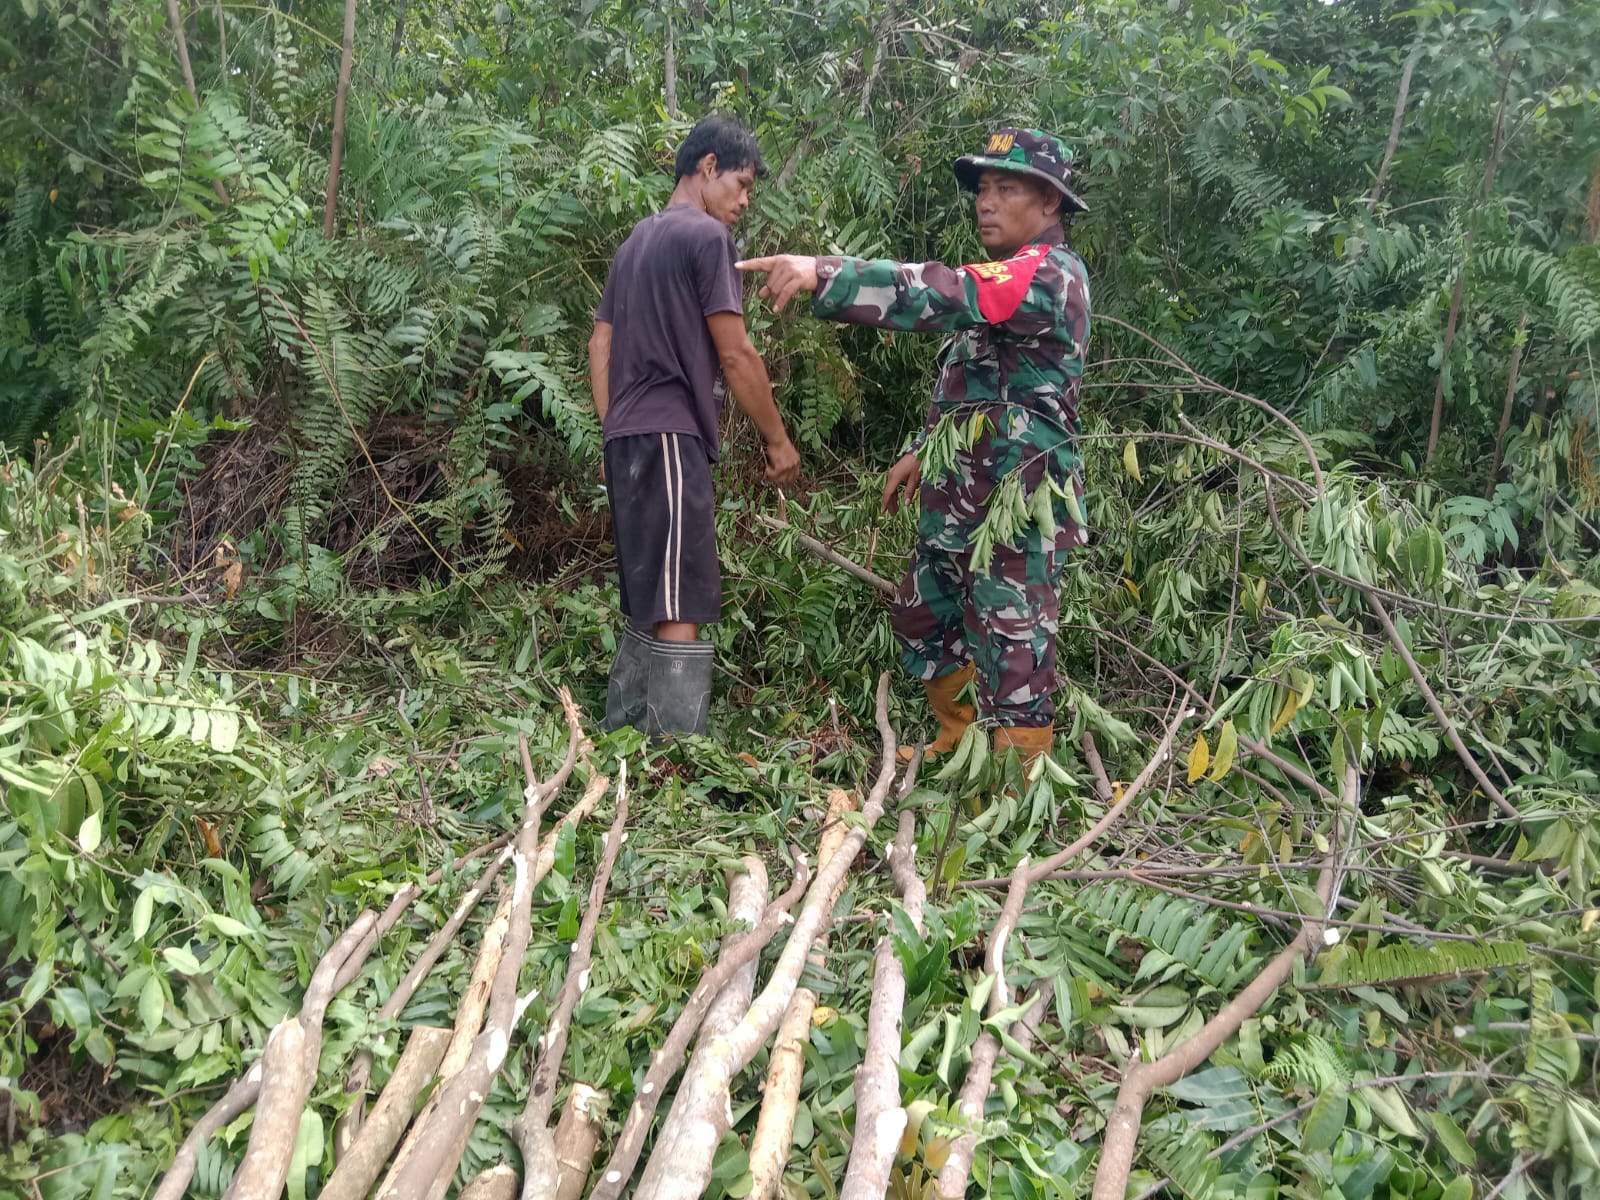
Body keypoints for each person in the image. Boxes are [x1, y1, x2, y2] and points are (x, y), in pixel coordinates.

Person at [738, 128, 1091, 768]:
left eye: (1004, 188)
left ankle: (1016, 787)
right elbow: (973, 384)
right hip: (961, 499)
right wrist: (921, 448)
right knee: (921, 613)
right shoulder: (1008, 281)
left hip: (1018, 504)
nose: (985, 202)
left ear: (1050, 204)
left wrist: (823, 273)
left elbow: (941, 294)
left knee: (1014, 647)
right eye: (982, 189)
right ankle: (960, 741)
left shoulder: (1048, 275)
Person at [591, 114, 801, 738]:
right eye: (739, 185)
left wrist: (612, 424)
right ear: (708, 167)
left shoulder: (636, 241)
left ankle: (623, 735)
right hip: (669, 433)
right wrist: (777, 439)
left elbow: (600, 342)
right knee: (679, 590)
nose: (741, 203)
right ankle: (673, 759)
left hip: (627, 433)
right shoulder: (707, 240)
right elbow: (735, 354)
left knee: (646, 585)